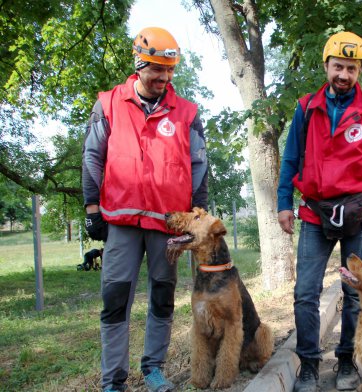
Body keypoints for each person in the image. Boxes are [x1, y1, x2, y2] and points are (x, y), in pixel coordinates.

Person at [82, 27, 208, 392]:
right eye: (157, 69)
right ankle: (113, 380)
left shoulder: (186, 112)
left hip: (168, 224)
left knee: (163, 297)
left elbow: (198, 164)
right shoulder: (108, 103)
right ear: (139, 64)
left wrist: (197, 214)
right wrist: (92, 207)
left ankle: (153, 367)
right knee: (115, 299)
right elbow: (92, 155)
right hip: (120, 221)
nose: (164, 78)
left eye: (170, 70)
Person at [277, 31, 362, 392]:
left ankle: (346, 360)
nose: (343, 75)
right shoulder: (305, 108)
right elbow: (290, 160)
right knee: (305, 292)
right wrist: (285, 204)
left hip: (359, 217)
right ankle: (309, 365)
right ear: (326, 66)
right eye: (337, 67)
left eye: (351, 68)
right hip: (315, 214)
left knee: (352, 294)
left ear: (359, 70)